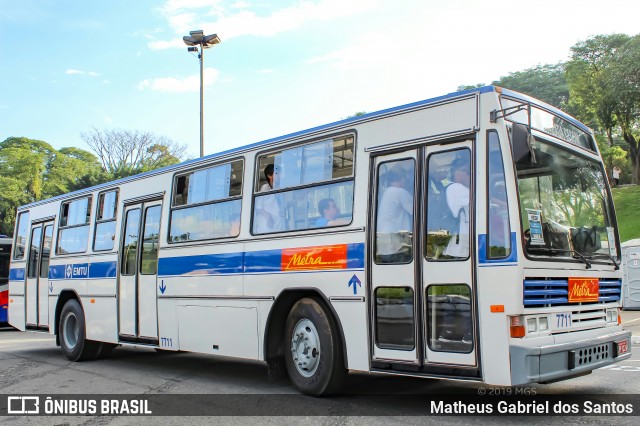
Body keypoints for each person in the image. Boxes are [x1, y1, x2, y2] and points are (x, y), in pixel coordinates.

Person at [376, 165, 414, 263]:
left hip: (384, 243)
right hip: (396, 245)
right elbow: (416, 210)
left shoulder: (388, 192)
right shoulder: (400, 192)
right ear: (402, 178)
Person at [443, 157, 470, 258]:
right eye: (466, 171)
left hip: (459, 243)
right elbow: (481, 200)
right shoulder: (457, 188)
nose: (469, 174)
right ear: (455, 172)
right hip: (460, 245)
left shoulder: (455, 188)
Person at [254, 164, 285, 233]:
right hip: (267, 227)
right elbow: (258, 207)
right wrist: (268, 216)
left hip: (279, 226)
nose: (279, 176)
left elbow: (283, 206)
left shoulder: (279, 190)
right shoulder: (265, 188)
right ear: (269, 175)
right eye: (277, 173)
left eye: (280, 174)